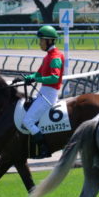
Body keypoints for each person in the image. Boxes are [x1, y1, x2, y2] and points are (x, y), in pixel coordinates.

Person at [21, 25, 65, 159]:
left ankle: (44, 148)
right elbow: (39, 73)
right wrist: (31, 77)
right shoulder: (48, 57)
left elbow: (55, 77)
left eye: (41, 40)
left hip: (49, 95)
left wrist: (38, 78)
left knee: (28, 121)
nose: (39, 43)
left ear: (49, 41)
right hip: (43, 92)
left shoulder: (55, 57)